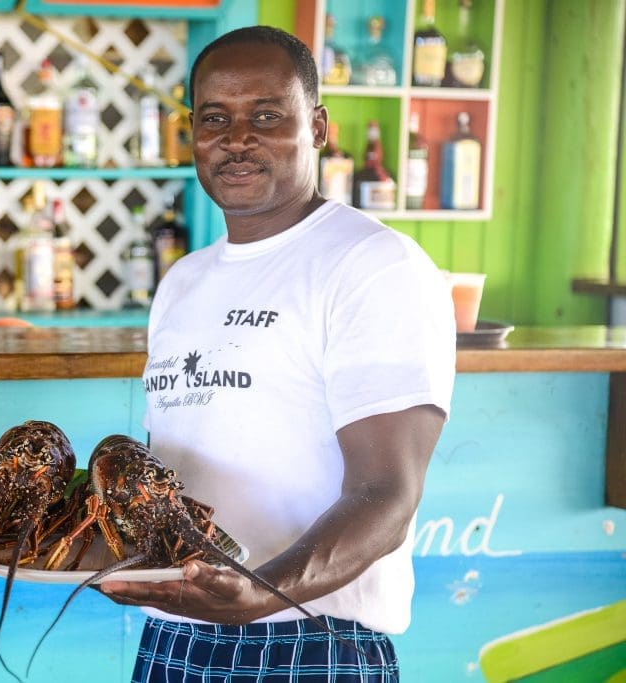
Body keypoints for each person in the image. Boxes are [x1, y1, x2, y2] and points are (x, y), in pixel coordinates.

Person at [97, 25, 456, 681]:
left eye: (265, 115)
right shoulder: (182, 282)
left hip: (309, 638)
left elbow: (387, 494)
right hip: (173, 639)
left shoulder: (372, 263)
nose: (237, 139)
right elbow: (164, 495)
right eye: (215, 118)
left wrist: (259, 592)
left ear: (317, 127)